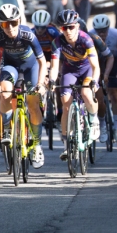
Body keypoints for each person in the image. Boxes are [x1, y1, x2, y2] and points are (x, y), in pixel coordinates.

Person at [0, 4, 47, 169]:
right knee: (4, 93)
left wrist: (40, 83)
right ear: (0, 25)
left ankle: (37, 145)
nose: (9, 28)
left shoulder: (28, 34)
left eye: (13, 23)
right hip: (11, 67)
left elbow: (42, 61)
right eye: (5, 24)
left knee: (32, 103)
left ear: (19, 21)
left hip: (31, 66)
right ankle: (9, 129)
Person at [49, 10, 100, 160]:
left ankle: (94, 119)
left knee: (86, 94)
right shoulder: (57, 42)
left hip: (86, 70)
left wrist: (94, 82)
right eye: (64, 28)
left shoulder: (86, 40)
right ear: (60, 29)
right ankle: (66, 145)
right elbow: (53, 67)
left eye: (71, 27)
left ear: (77, 26)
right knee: (65, 105)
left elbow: (95, 66)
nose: (68, 31)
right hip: (69, 71)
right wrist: (52, 81)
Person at [91, 14, 117, 144]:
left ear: (108, 28)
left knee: (114, 94)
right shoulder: (91, 36)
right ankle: (102, 125)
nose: (101, 33)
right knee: (98, 97)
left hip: (112, 61)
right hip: (96, 62)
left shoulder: (115, 34)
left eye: (104, 30)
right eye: (98, 31)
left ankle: (116, 127)